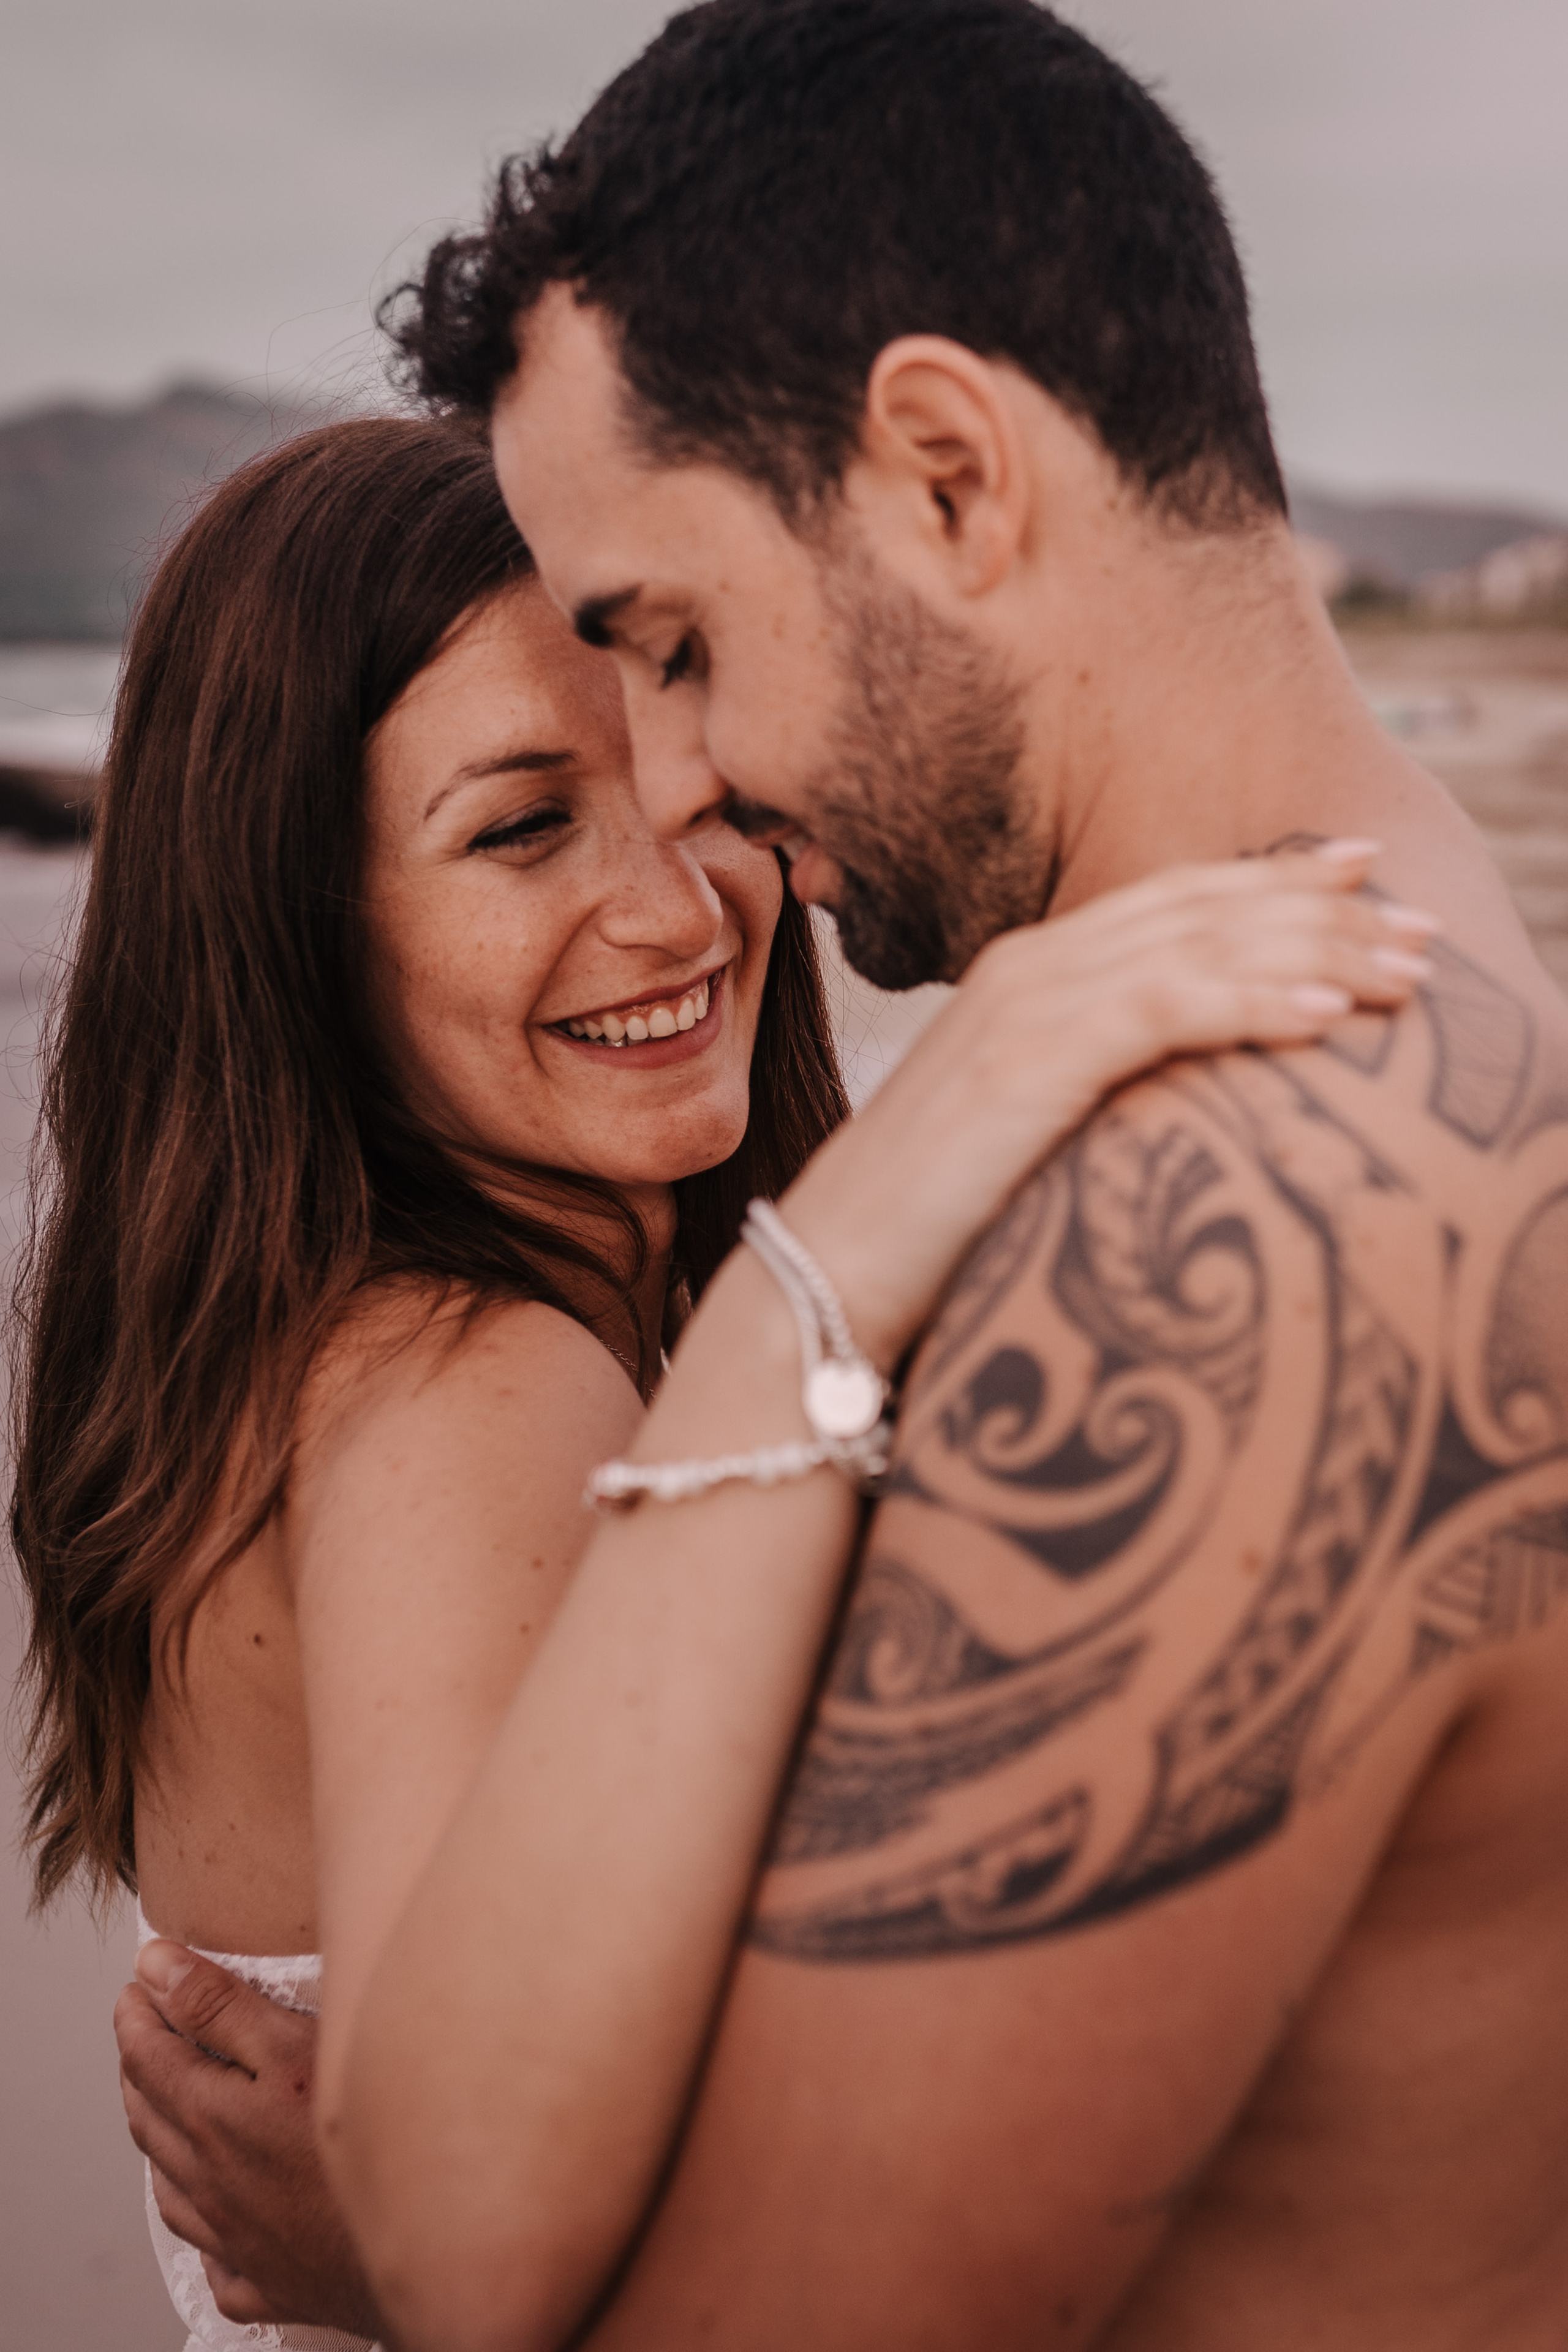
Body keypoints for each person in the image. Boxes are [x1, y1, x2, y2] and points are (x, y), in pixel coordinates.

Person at [110, 2, 1568, 2345]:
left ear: (949, 474)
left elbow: (554, 2263)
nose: (682, 789)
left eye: (677, 643)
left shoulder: (1229, 1230)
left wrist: (375, 2245)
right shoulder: (1411, 970)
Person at [12, 407, 1396, 2352]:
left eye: (694, 785)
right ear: (294, 926)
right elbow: (478, 2233)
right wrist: (382, 2258)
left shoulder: (325, 1349)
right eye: (520, 828)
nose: (678, 906)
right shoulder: (481, 1395)